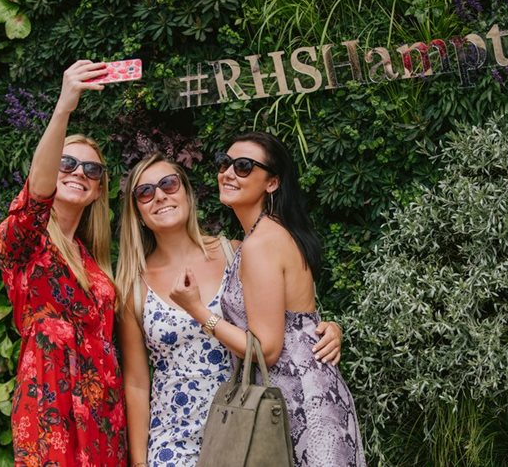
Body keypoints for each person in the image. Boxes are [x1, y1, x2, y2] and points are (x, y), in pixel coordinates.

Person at [115, 152, 343, 467]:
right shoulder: (133, 286)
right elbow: (137, 383)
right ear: (138, 213)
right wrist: (140, 462)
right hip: (173, 439)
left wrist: (328, 328)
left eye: (169, 184)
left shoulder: (235, 252)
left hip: (242, 426)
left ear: (187, 194)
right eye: (145, 192)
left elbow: (286, 315)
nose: (160, 196)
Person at [171, 131, 365, 466]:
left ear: (272, 183)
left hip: (297, 403)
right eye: (224, 163)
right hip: (301, 394)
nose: (228, 173)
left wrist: (198, 311)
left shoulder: (262, 243)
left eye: (244, 166)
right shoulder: (269, 234)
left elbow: (267, 349)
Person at [0, 60, 127, 465]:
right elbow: (37, 195)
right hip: (50, 410)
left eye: (91, 169)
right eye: (66, 163)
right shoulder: (26, 243)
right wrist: (64, 108)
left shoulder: (94, 262)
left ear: (99, 189)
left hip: (104, 419)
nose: (78, 173)